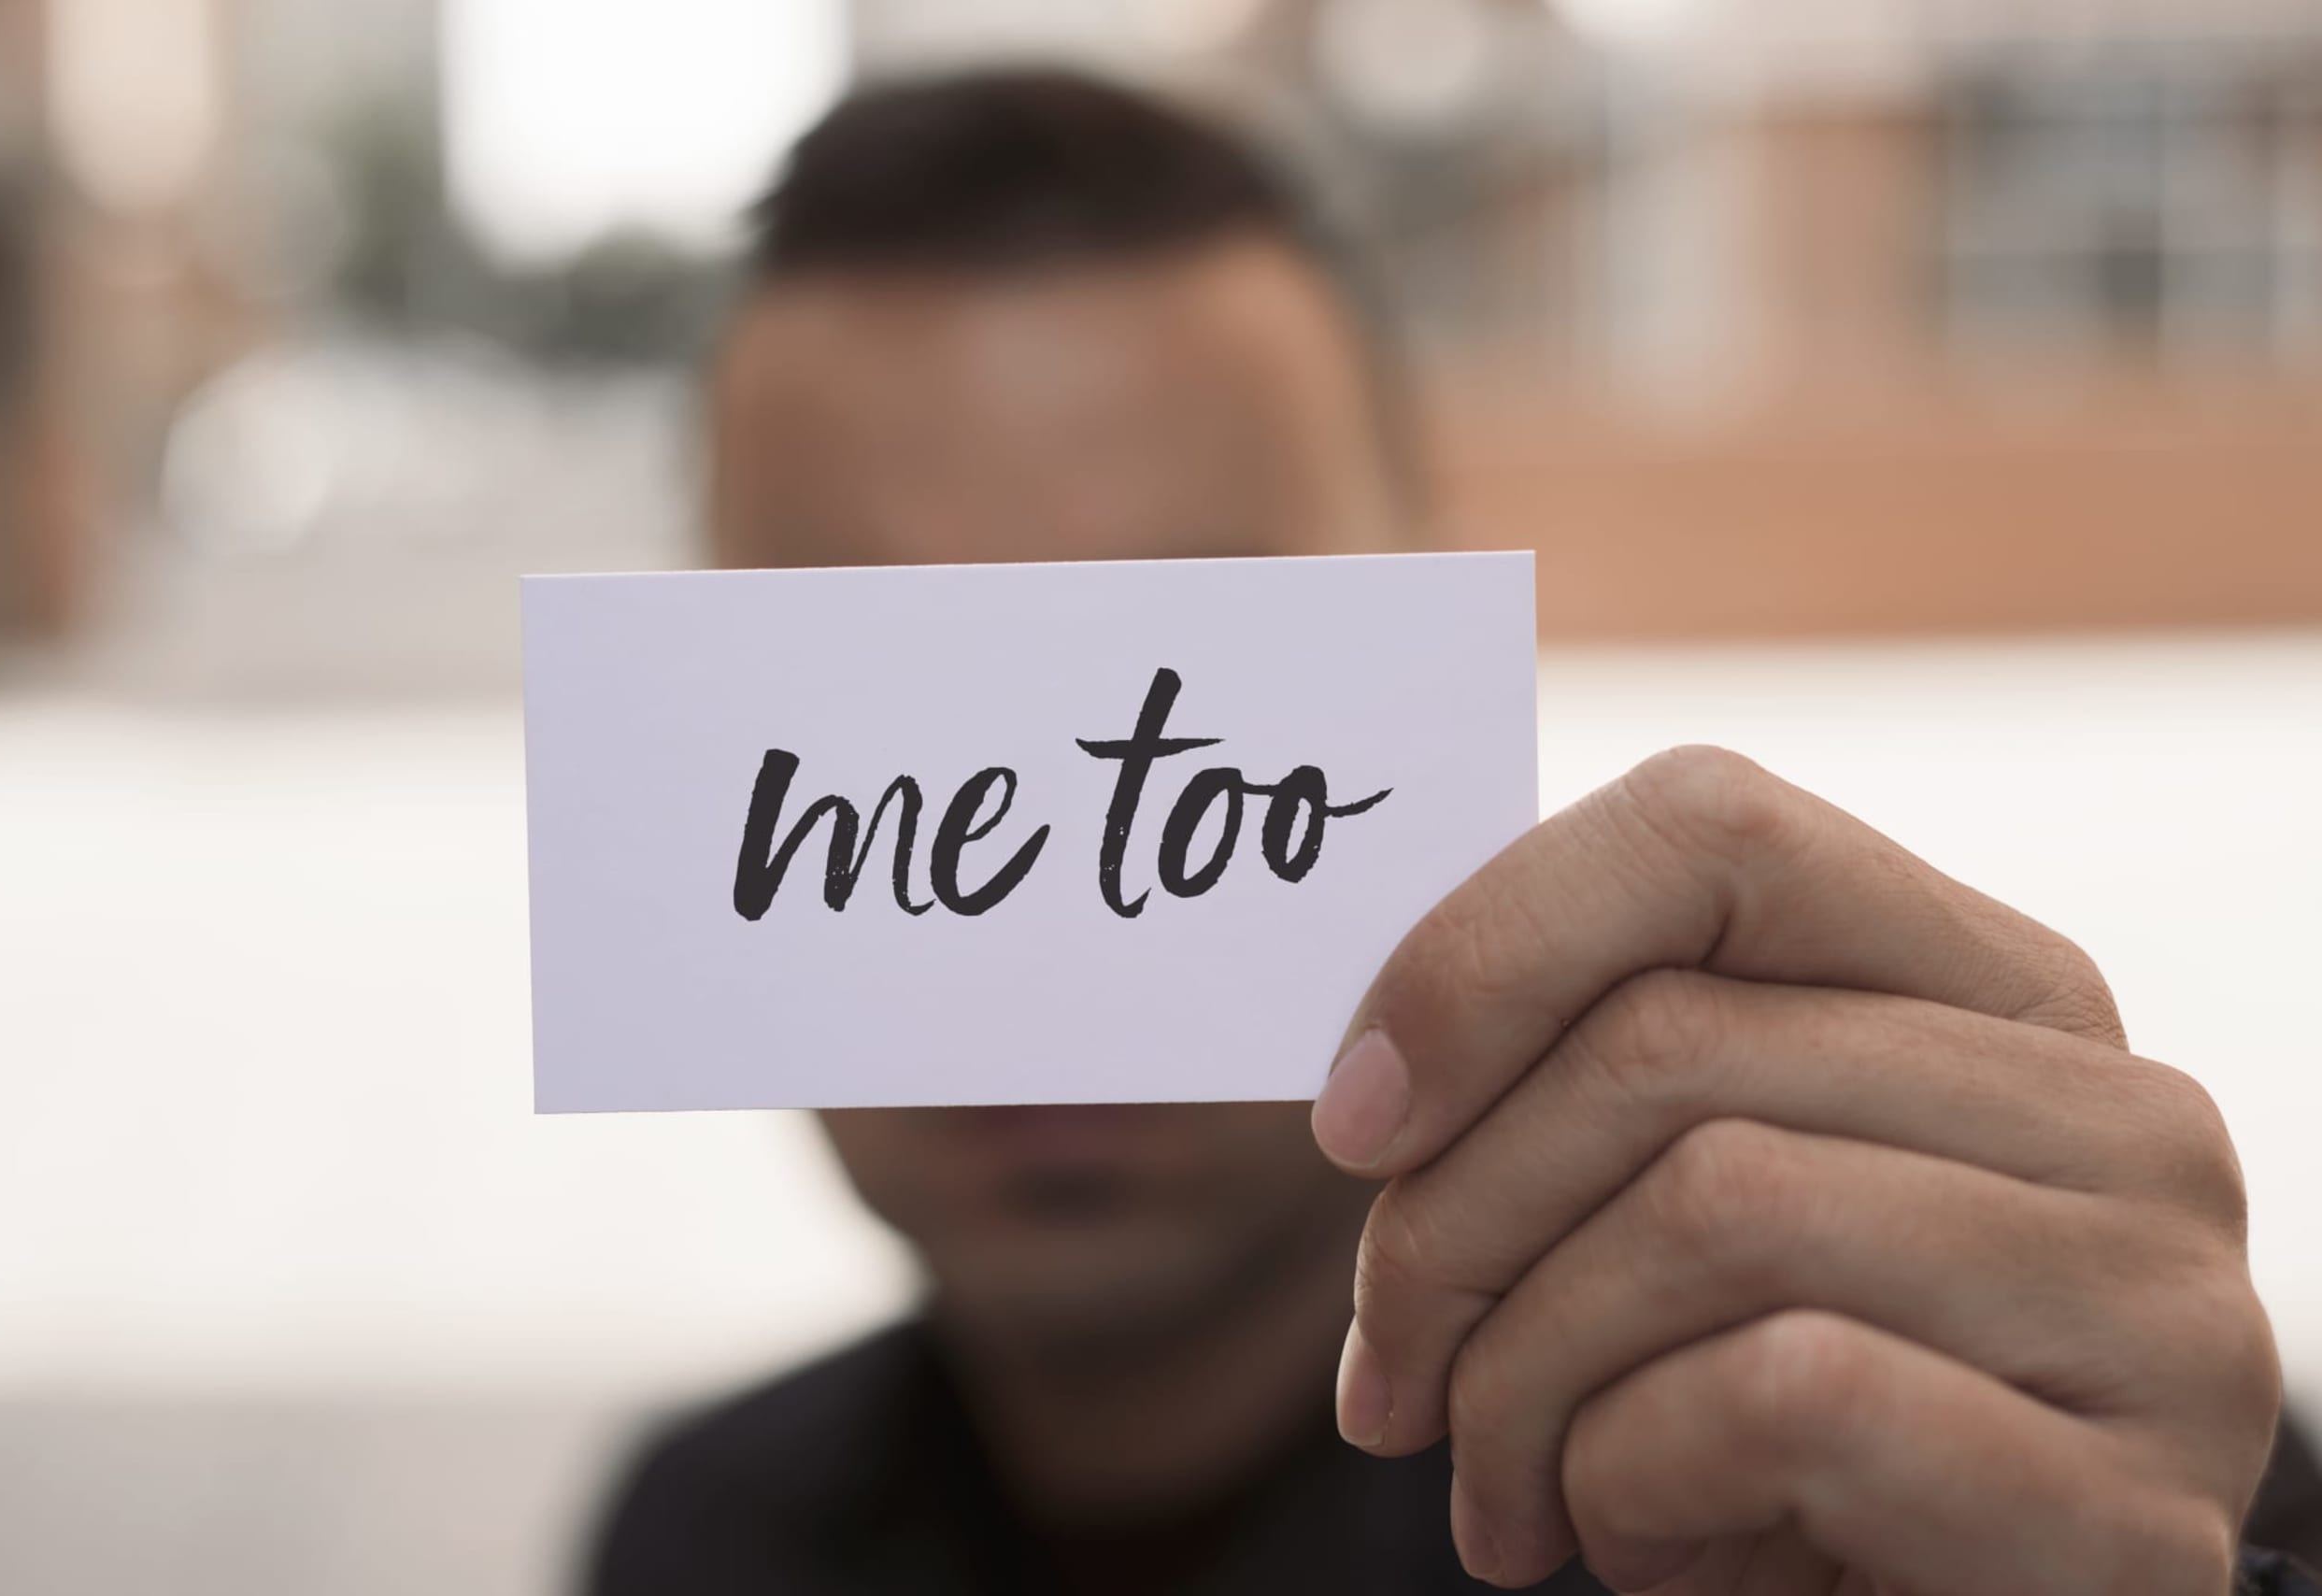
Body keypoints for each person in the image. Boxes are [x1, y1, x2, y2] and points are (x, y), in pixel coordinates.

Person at [584, 69, 2319, 1594]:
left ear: (1444, 656)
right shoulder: (695, 1534)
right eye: (861, 676)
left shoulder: (1851, 1475)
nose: (1039, 884)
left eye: (1190, 680)